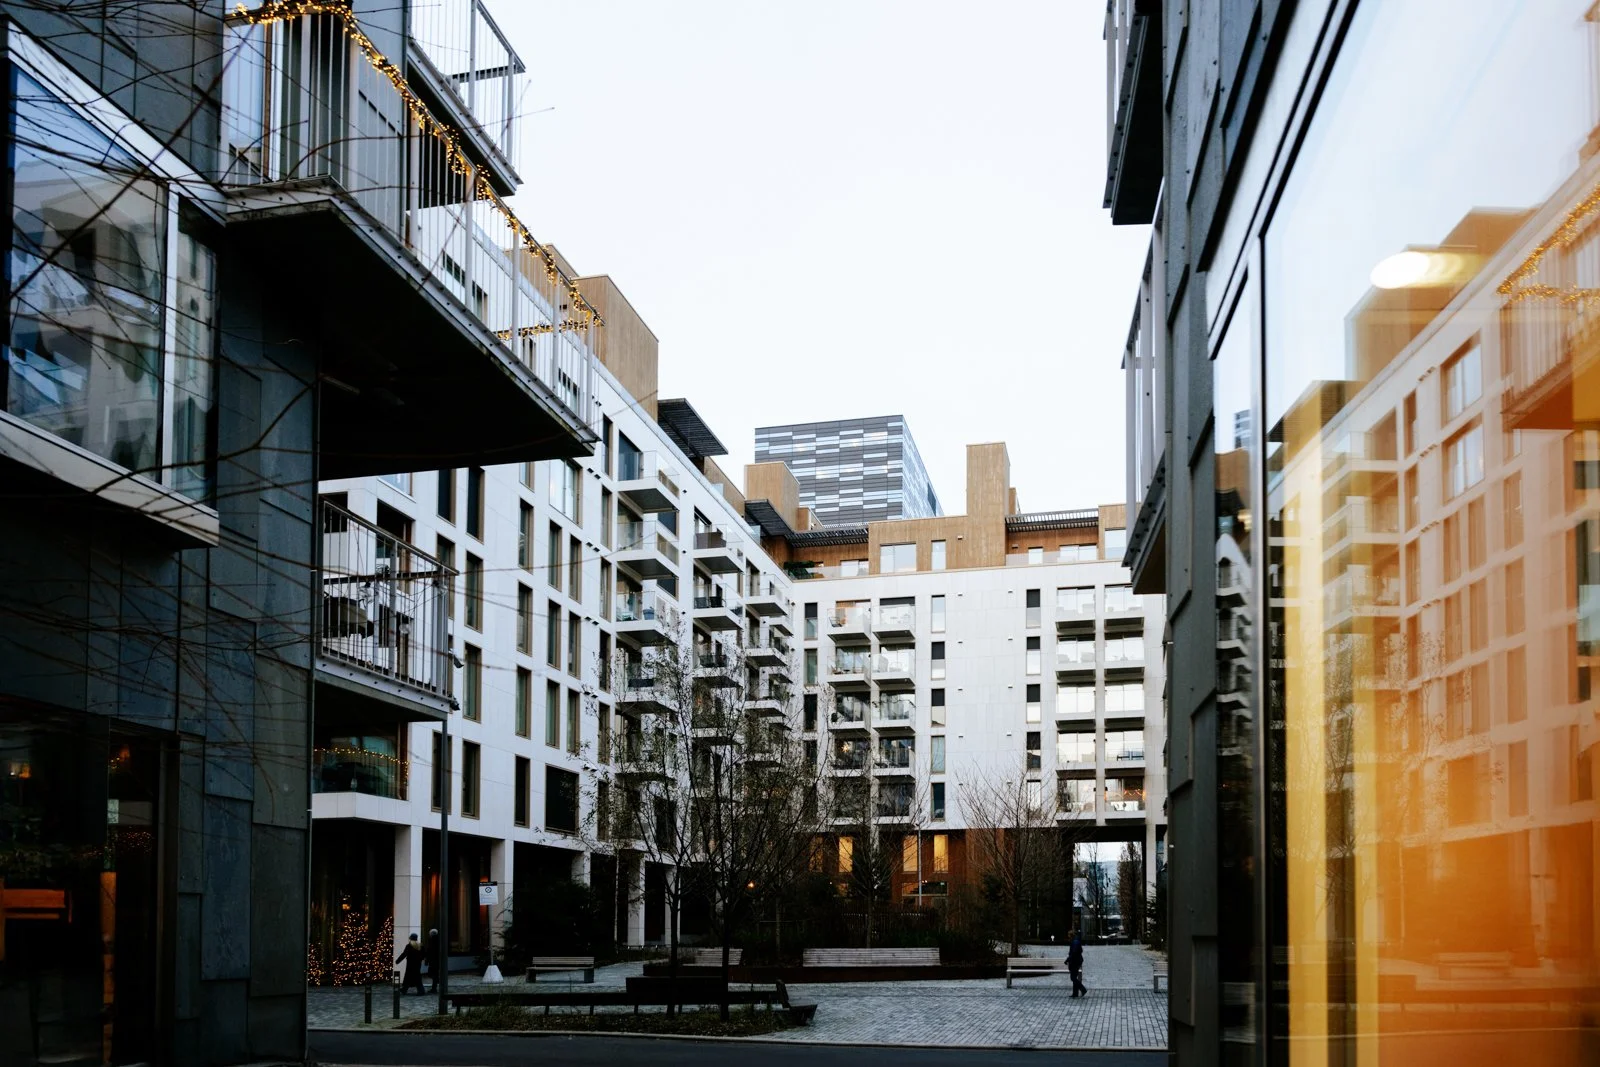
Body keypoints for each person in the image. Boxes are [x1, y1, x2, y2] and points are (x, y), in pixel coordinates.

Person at [1067, 929, 1087, 998]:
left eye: (1068, 935)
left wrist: (1068, 959)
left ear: (1071, 935)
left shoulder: (1075, 942)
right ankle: (1075, 993)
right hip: (1076, 961)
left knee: (1073, 978)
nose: (1068, 937)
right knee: (1074, 977)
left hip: (1075, 962)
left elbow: (1074, 953)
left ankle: (1083, 989)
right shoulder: (1075, 941)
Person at [424, 928, 441, 994]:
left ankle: (435, 987)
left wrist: (427, 960)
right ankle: (436, 984)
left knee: (432, 974)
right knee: (434, 974)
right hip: (437, 961)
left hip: (433, 961)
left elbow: (429, 951)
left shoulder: (431, 940)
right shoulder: (439, 940)